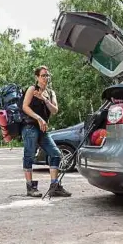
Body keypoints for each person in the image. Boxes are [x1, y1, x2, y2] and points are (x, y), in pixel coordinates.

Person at [22, 65, 71, 197]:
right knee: (29, 156)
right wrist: (39, 118)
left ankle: (54, 186)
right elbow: (25, 107)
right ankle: (30, 187)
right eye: (43, 75)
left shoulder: (50, 93)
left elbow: (54, 111)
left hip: (43, 130)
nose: (46, 78)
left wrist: (44, 99)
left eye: (47, 75)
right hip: (30, 127)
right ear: (37, 77)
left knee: (55, 154)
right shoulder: (32, 89)